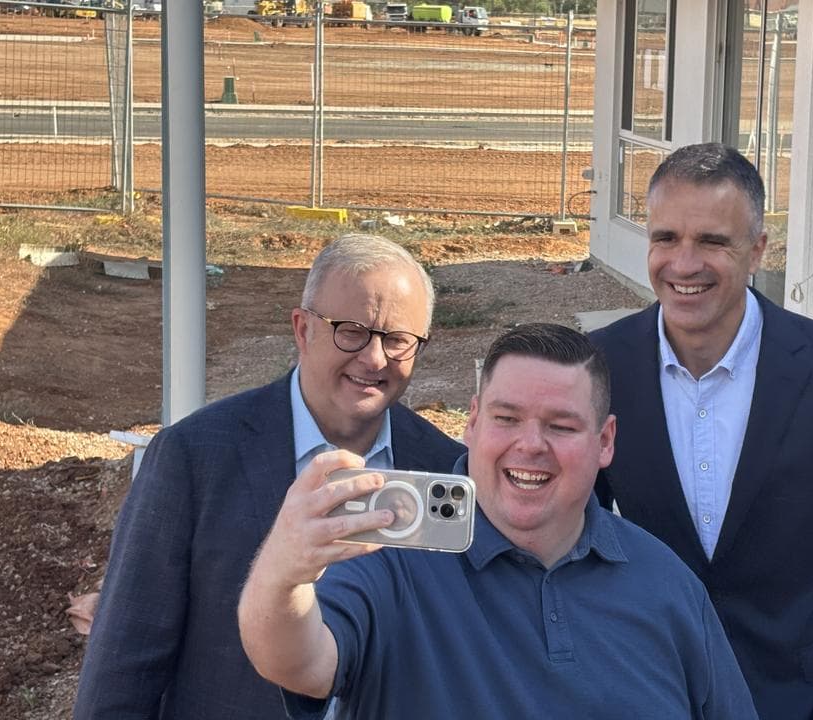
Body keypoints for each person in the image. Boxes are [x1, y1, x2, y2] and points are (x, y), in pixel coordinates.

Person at [237, 323, 758, 719]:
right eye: (507, 418)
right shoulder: (391, 557)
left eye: (561, 425)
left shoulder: (664, 582)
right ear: (472, 422)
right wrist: (283, 573)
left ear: (605, 442)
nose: (530, 445)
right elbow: (297, 664)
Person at [589, 143, 813, 720]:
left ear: (756, 251)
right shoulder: (600, 366)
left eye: (712, 241)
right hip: (648, 689)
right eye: (666, 238)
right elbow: (571, 529)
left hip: (809, 698)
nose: (683, 263)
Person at [73, 234, 464, 719]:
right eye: (352, 331)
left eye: (397, 340)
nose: (375, 358)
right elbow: (124, 664)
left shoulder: (446, 471)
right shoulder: (194, 458)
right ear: (302, 330)